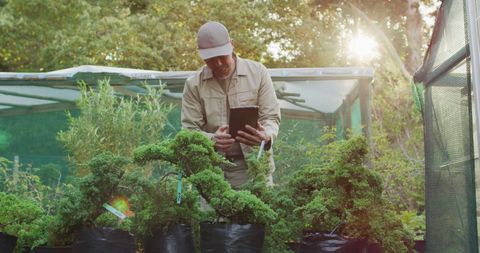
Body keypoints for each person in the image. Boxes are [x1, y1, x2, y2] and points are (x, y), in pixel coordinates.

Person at [181, 21, 281, 189]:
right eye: (211, 59)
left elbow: (270, 117)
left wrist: (267, 136)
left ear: (232, 45)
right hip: (212, 172)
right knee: (210, 216)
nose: (218, 63)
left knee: (258, 214)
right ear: (201, 55)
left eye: (222, 56)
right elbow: (189, 131)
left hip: (255, 167)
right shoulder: (194, 85)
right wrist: (212, 140)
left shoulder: (258, 72)